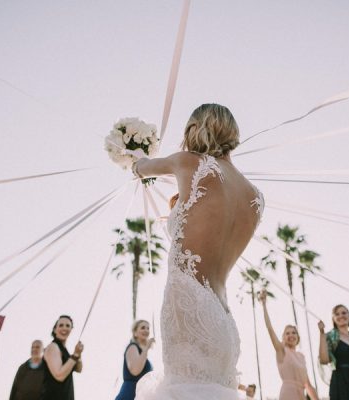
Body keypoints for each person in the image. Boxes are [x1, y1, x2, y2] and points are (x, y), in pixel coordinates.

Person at [132, 104, 264, 399]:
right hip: (223, 319)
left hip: (188, 307)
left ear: (196, 127)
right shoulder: (254, 196)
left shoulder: (189, 162)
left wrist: (132, 152)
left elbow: (140, 168)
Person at [258, 290, 318, 400]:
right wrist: (264, 305)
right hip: (288, 394)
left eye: (293, 332)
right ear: (283, 337)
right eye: (287, 333)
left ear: (298, 337)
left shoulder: (301, 356)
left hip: (301, 395)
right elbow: (270, 329)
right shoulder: (281, 350)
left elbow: (308, 385)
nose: (291, 335)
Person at [40, 315, 83, 400]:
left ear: (71, 329)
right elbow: (59, 375)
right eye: (61, 325)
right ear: (55, 330)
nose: (64, 328)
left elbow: (79, 369)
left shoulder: (65, 351)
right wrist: (75, 355)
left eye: (68, 326)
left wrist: (79, 354)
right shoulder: (53, 347)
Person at [115, 320, 154, 399]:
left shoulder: (142, 353)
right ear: (135, 333)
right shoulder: (132, 347)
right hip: (129, 393)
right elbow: (135, 371)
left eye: (148, 328)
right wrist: (146, 348)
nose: (146, 330)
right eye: (143, 328)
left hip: (140, 394)